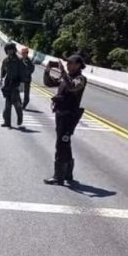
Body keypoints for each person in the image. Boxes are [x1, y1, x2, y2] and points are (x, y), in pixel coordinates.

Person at [43, 54, 88, 185]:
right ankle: (68, 174)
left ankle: (58, 176)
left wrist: (63, 72)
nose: (67, 65)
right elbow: (49, 83)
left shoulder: (80, 79)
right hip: (61, 113)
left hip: (69, 115)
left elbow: (72, 87)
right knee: (65, 143)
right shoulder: (67, 77)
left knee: (61, 143)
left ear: (78, 65)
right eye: (67, 63)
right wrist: (47, 70)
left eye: (70, 63)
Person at [0, 42, 25, 128]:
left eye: (11, 50)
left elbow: (22, 72)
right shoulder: (5, 60)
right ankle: (7, 122)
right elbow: (3, 71)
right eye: (8, 50)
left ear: (14, 50)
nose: (9, 51)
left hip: (16, 83)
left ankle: (20, 116)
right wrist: (1, 78)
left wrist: (21, 84)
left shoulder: (19, 60)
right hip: (8, 83)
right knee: (8, 103)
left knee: (15, 101)